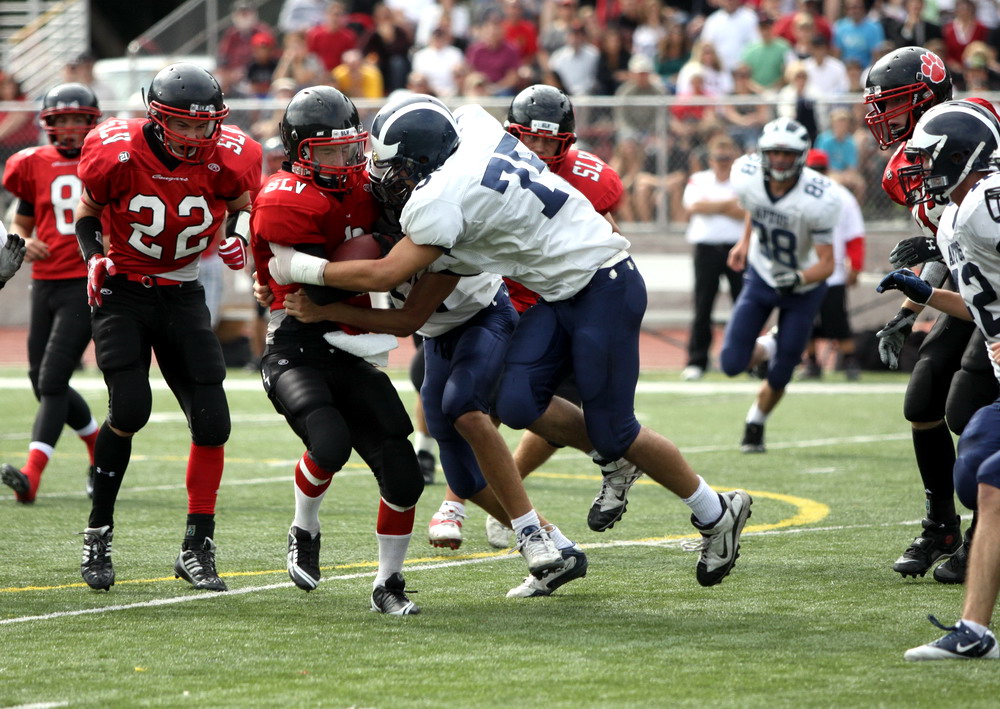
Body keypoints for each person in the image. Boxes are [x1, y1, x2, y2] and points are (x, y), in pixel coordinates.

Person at [268, 94, 755, 589]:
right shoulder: (471, 130)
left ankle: (714, 510)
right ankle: (562, 529)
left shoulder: (439, 203)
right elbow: (453, 119)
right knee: (515, 405)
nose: (384, 178)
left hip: (599, 287)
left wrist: (296, 269)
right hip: (553, 294)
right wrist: (273, 276)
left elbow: (387, 278)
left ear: (423, 164)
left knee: (610, 429)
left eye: (395, 168)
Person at [73, 63, 262, 593]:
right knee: (131, 408)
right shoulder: (118, 150)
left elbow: (244, 207)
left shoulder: (232, 155)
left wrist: (240, 236)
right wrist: (93, 258)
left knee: (213, 422)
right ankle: (98, 532)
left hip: (183, 291)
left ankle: (197, 545)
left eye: (205, 124)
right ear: (157, 118)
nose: (197, 135)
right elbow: (87, 213)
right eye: (184, 124)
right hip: (123, 290)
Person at [424, 85, 635, 551]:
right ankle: (469, 500)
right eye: (529, 139)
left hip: (565, 304)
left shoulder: (587, 177)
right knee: (487, 398)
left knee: (516, 402)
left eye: (549, 142)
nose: (537, 149)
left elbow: (609, 239)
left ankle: (492, 498)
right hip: (509, 298)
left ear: (567, 143)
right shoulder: (483, 163)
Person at [251, 86, 424, 614]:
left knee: (403, 471)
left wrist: (387, 246)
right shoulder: (284, 197)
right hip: (296, 339)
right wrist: (379, 257)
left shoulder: (367, 186)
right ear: (300, 151)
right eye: (329, 151)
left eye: (350, 148)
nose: (344, 161)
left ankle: (388, 583)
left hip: (349, 339)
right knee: (329, 444)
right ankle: (304, 529)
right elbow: (303, 284)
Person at [863, 45, 1000, 581]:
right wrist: (908, 306)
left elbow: (974, 232)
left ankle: (983, 533)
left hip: (993, 289)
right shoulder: (909, 165)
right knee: (922, 398)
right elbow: (950, 246)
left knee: (967, 406)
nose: (882, 116)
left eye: (892, 103)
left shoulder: (975, 128)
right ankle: (940, 524)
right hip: (973, 285)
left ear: (923, 98)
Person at [0, 83, 103, 504]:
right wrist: (23, 240)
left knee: (53, 379)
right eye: (62, 120)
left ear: (92, 122)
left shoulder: (107, 161)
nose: (71, 127)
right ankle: (97, 446)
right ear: (48, 124)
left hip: (84, 281)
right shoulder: (33, 163)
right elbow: (22, 220)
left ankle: (32, 474)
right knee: (39, 380)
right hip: (44, 281)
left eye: (79, 119)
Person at [719, 117, 840, 453]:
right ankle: (771, 344)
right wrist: (744, 242)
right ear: (763, 153)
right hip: (762, 274)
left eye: (788, 154)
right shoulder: (747, 176)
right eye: (774, 153)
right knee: (731, 363)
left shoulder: (820, 197)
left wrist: (799, 278)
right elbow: (755, 207)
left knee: (782, 372)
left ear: (801, 156)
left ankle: (755, 422)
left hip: (803, 287)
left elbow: (828, 264)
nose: (781, 160)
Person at [681, 134, 745, 382]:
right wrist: (729, 204)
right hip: (706, 249)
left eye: (727, 157)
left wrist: (713, 205)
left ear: (734, 158)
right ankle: (697, 361)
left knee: (743, 306)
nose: (723, 162)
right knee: (702, 306)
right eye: (719, 157)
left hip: (737, 249)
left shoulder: (743, 181)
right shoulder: (699, 179)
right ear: (710, 159)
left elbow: (745, 212)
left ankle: (745, 358)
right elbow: (694, 207)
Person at [798, 148, 866, 381]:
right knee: (804, 318)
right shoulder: (796, 195)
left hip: (832, 271)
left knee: (837, 318)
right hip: (804, 270)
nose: (816, 174)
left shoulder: (841, 196)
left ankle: (850, 361)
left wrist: (855, 266)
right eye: (812, 170)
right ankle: (811, 362)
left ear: (826, 170)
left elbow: (854, 235)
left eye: (819, 170)